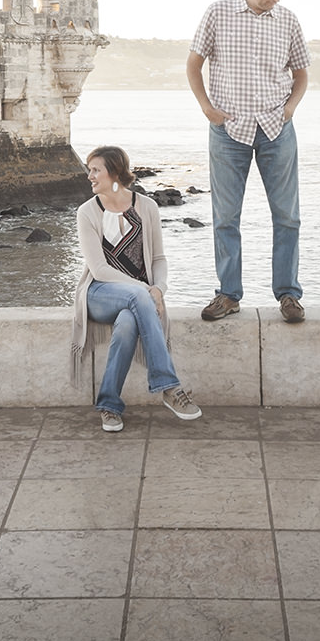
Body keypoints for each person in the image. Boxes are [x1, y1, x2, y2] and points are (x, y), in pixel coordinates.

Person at [186, 0, 310, 324]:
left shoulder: (287, 20)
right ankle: (228, 295)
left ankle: (288, 295)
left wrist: (289, 110)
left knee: (287, 217)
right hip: (228, 131)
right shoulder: (218, 13)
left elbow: (301, 72)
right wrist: (207, 108)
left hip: (277, 129)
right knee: (226, 217)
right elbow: (194, 64)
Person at [72, 144, 202, 432]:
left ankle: (108, 405)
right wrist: (145, 289)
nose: (89, 176)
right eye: (89, 170)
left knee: (129, 321)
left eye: (96, 170)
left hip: (136, 300)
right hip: (98, 294)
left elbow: (158, 258)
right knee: (136, 296)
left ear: (115, 173)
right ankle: (169, 387)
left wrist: (160, 287)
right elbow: (99, 270)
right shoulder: (87, 212)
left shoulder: (147, 207)